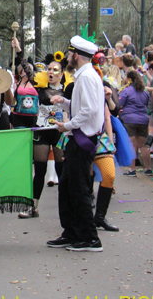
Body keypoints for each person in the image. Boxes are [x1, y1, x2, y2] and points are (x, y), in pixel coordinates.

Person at [46, 36, 105, 253]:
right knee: (68, 187)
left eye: (70, 54)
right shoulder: (84, 75)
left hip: (82, 139)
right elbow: (82, 106)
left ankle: (89, 237)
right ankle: (71, 232)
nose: (68, 57)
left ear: (76, 55)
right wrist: (65, 102)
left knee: (79, 189)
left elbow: (89, 110)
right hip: (77, 138)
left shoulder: (87, 77)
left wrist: (67, 125)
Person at [28, 58, 66, 218]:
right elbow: (27, 72)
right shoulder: (40, 89)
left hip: (60, 132)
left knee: (62, 171)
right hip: (42, 131)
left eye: (55, 69)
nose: (51, 72)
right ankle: (33, 207)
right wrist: (19, 51)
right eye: (49, 69)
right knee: (40, 170)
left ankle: (66, 207)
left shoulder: (67, 89)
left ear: (61, 74)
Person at [120, 70, 152, 176]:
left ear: (129, 79)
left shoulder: (126, 90)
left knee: (131, 144)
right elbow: (147, 104)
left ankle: (132, 169)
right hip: (143, 119)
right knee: (143, 145)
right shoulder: (144, 91)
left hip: (129, 120)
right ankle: (148, 168)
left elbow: (120, 104)